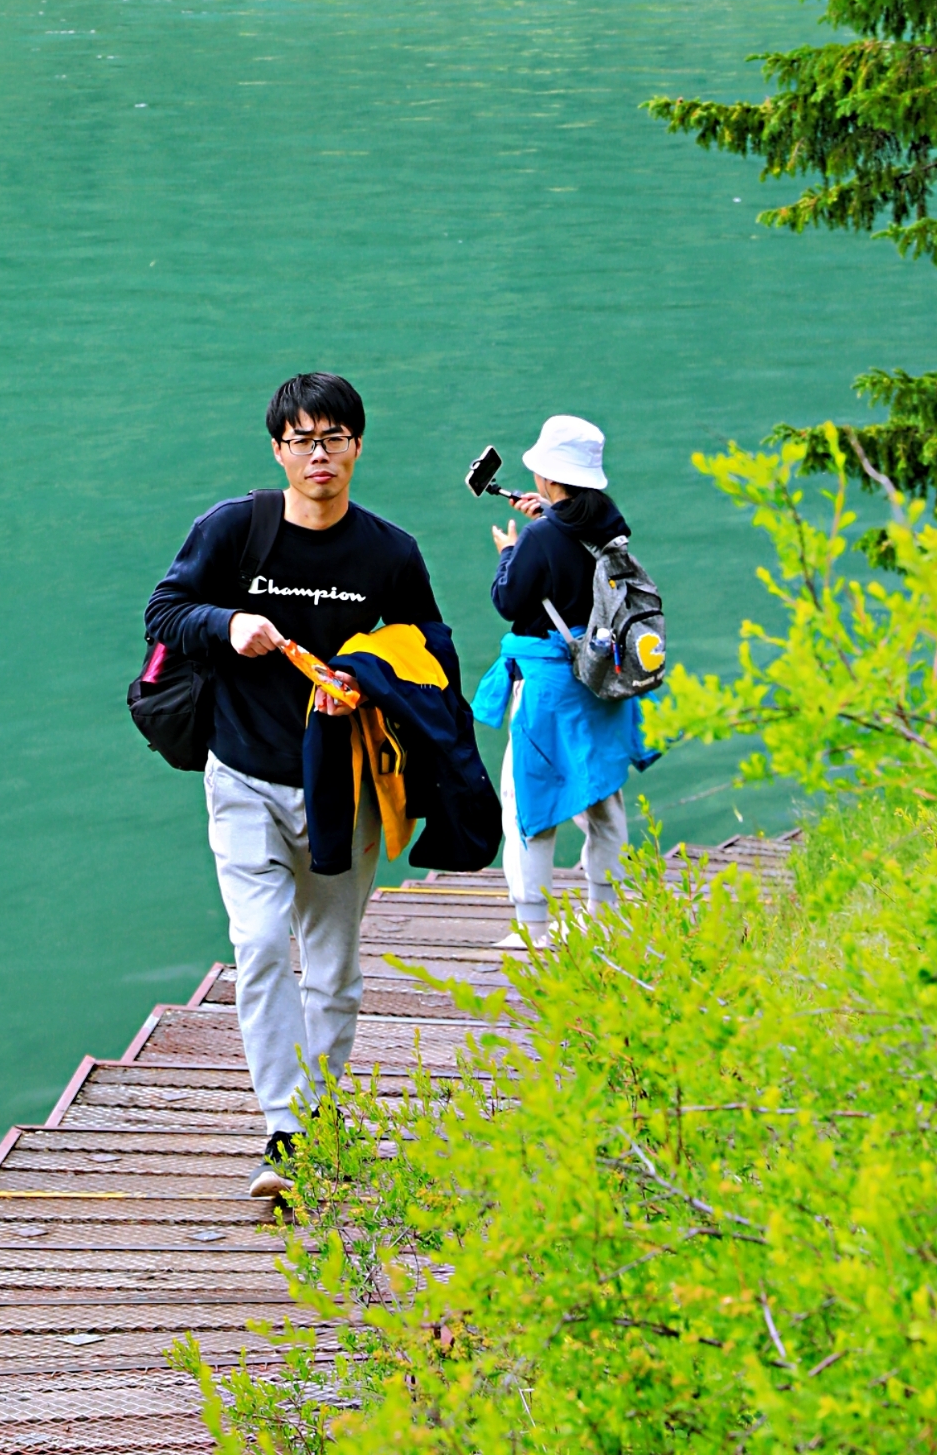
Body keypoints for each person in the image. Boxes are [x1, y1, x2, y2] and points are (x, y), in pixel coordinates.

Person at [143, 371, 439, 1201]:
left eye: (335, 438)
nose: (321, 455)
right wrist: (228, 624)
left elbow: (431, 645)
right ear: (278, 449)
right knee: (263, 946)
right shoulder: (236, 531)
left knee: (335, 966)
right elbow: (166, 611)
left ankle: (321, 1108)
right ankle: (286, 1130)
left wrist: (372, 674)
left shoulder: (389, 552)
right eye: (303, 440)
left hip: (344, 784)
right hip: (242, 776)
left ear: (357, 446)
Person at [476, 411, 658, 933]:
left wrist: (510, 551)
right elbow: (575, 552)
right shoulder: (610, 524)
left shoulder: (538, 538)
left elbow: (509, 601)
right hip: (604, 679)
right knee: (602, 794)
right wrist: (543, 521)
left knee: (530, 803)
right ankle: (608, 921)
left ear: (550, 477)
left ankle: (533, 930)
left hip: (551, 688)